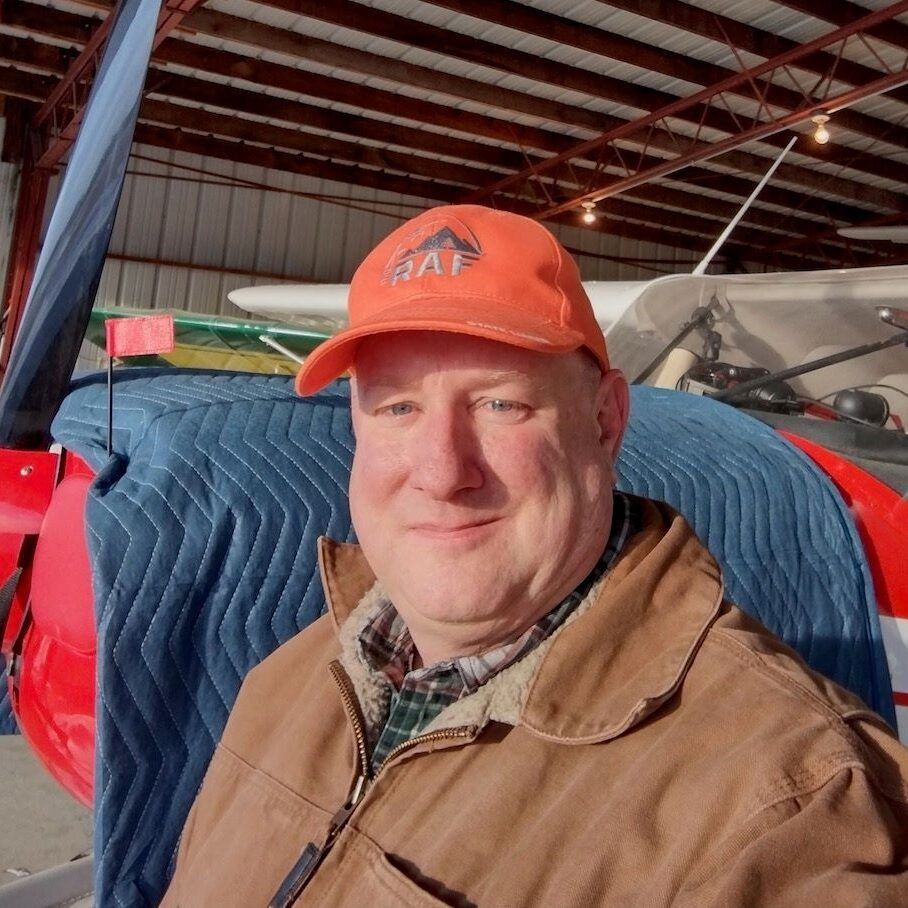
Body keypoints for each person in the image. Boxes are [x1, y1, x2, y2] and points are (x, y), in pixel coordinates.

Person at [162, 205, 908, 906]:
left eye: (499, 403)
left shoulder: (796, 804)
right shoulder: (288, 675)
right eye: (397, 407)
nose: (441, 471)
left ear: (607, 419)